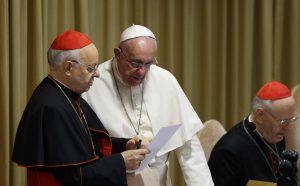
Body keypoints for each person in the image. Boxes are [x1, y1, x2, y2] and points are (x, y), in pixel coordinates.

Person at [12, 30, 149, 186]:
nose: (97, 74)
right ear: (69, 68)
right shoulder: (51, 107)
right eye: (90, 68)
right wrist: (121, 161)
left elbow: (88, 144)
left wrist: (125, 144)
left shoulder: (69, 96)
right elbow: (74, 176)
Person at [82, 24, 214, 186]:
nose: (142, 72)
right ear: (117, 54)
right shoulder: (94, 83)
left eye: (148, 64)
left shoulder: (165, 80)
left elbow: (190, 150)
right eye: (135, 63)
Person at [208, 80, 299, 186]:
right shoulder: (228, 151)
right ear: (260, 116)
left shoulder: (276, 134)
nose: (287, 128)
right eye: (283, 121)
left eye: (291, 120)